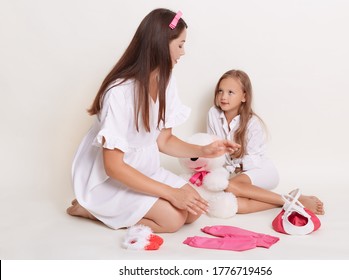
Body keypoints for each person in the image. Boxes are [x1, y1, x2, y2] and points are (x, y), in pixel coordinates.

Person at [66, 9, 240, 233]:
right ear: (160, 44)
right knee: (172, 220)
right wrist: (170, 193)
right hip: (113, 179)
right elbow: (113, 167)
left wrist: (205, 150)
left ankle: (124, 207)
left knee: (194, 210)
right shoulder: (120, 92)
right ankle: (93, 209)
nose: (183, 52)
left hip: (146, 171)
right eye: (180, 44)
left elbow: (164, 141)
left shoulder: (166, 82)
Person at [207, 69, 325, 215]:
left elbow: (252, 162)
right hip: (237, 175)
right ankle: (290, 200)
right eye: (220, 91)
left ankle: (292, 202)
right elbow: (214, 148)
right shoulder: (213, 113)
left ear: (244, 96)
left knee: (229, 187)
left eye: (230, 92)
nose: (223, 96)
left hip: (260, 170)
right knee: (233, 205)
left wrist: (230, 171)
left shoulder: (252, 123)